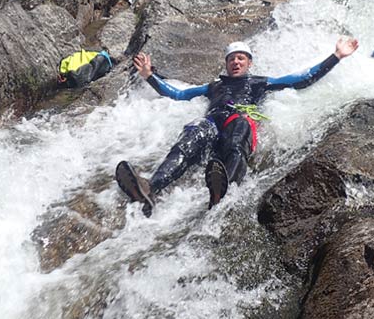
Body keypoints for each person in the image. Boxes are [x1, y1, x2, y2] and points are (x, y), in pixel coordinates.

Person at [115, 37, 359, 216]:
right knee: (194, 131)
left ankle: (225, 189)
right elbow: (178, 94)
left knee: (240, 126)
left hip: (239, 123)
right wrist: (149, 76)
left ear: (249, 63)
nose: (236, 62)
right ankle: (150, 188)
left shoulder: (260, 83)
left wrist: (335, 56)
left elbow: (301, 80)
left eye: (241, 58)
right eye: (231, 59)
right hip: (214, 123)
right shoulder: (213, 86)